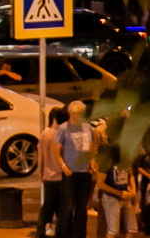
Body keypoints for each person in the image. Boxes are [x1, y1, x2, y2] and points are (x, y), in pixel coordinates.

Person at [57, 101, 96, 238]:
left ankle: (79, 235)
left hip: (85, 173)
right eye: (79, 113)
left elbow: (92, 145)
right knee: (68, 207)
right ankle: (65, 234)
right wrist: (63, 166)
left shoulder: (88, 128)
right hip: (70, 173)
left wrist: (91, 162)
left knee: (82, 207)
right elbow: (56, 150)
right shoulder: (63, 128)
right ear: (71, 113)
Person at [96, 143, 137, 238]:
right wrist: (119, 193)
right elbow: (100, 183)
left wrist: (133, 190)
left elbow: (131, 175)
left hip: (126, 196)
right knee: (113, 231)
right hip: (111, 198)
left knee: (132, 229)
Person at [38, 106, 67, 238]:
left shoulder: (44, 133)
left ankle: (41, 231)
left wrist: (40, 173)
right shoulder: (58, 134)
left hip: (48, 175)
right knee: (60, 207)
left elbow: (41, 155)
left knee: (47, 206)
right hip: (59, 175)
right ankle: (60, 232)